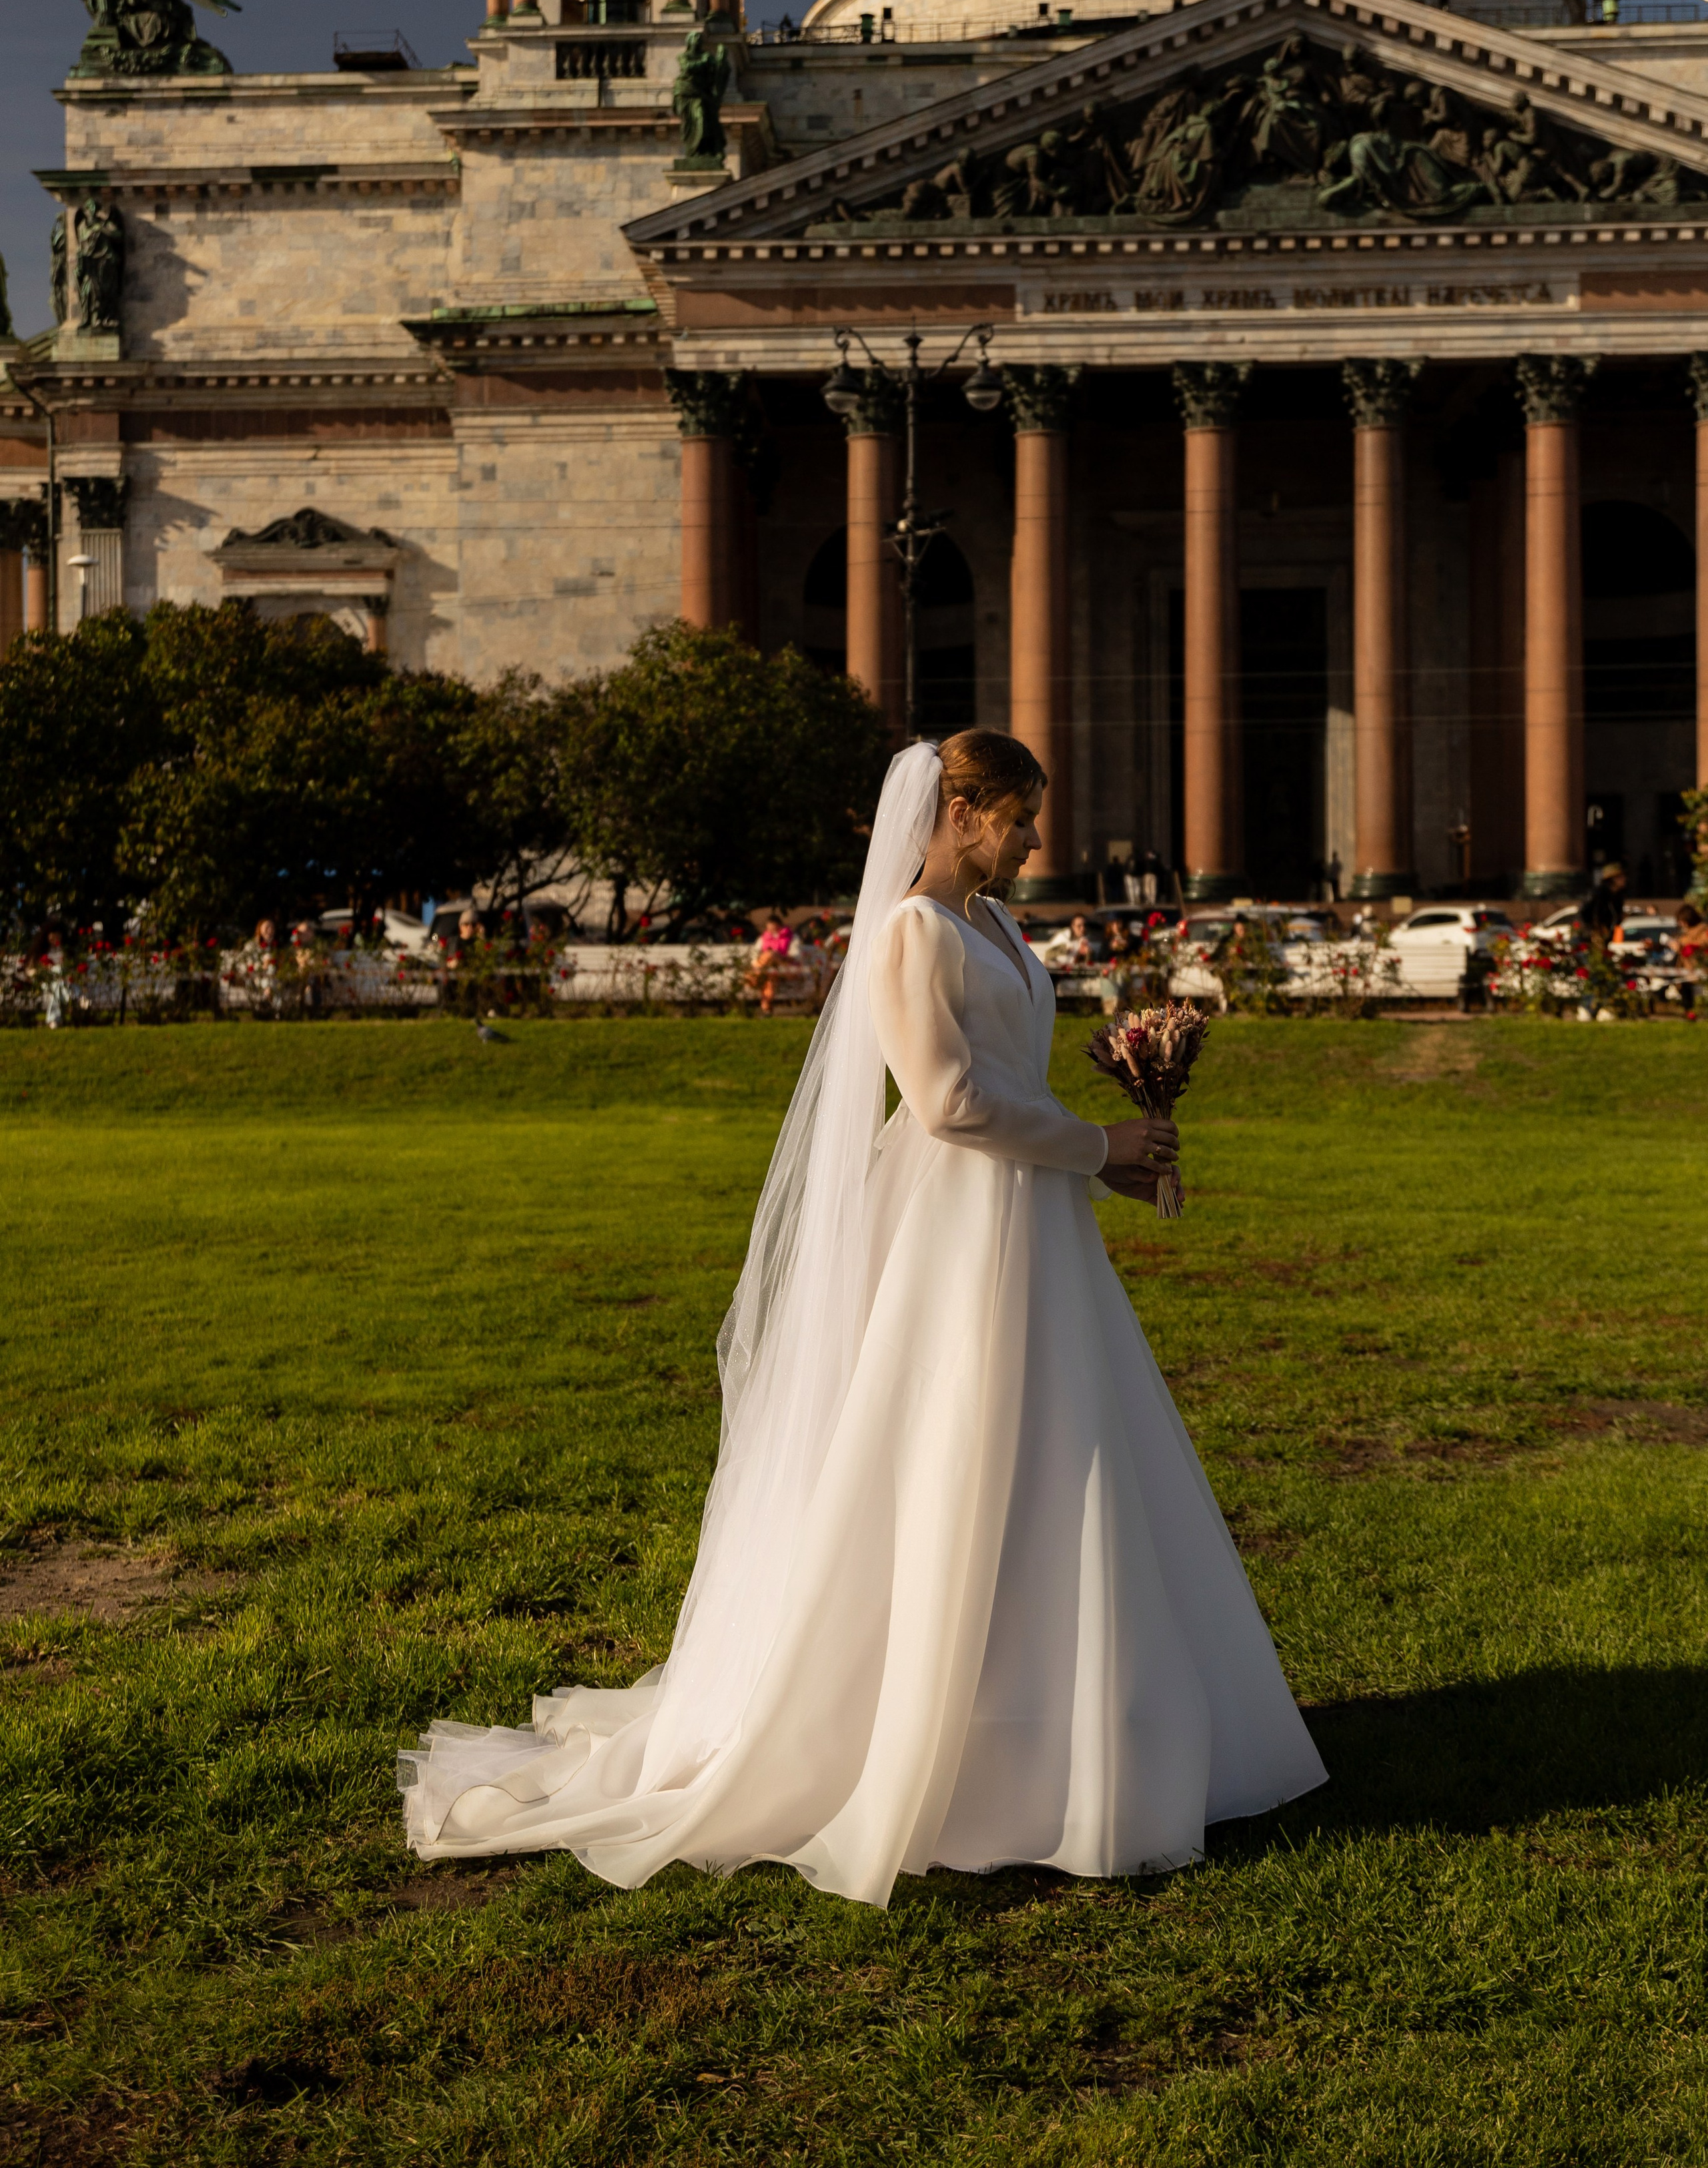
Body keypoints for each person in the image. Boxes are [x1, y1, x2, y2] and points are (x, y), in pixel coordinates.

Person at [400, 731, 1325, 1905]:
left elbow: (1010, 1086)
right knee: (955, 1456)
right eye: (1021, 815)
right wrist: (1098, 1146)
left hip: (1032, 1224)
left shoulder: (993, 925)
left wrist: (1107, 1164)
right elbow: (943, 1102)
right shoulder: (909, 930)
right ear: (963, 808)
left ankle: (1055, 1714)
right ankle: (938, 1732)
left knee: (1055, 1456)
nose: (1038, 837)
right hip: (956, 1230)